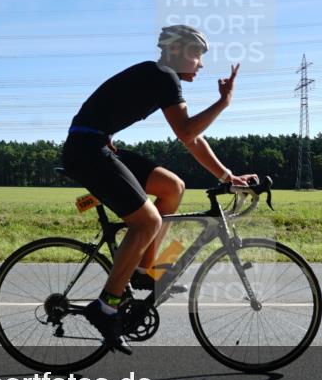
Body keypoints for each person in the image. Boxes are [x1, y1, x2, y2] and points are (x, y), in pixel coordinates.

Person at [60, 25, 255, 352]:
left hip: (98, 145)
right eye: (197, 54)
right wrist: (223, 103)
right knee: (148, 221)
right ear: (177, 50)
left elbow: (192, 138)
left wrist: (225, 175)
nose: (201, 64)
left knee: (172, 187)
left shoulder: (162, 76)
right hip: (87, 150)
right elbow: (186, 132)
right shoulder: (163, 75)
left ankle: (141, 270)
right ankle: (105, 307)